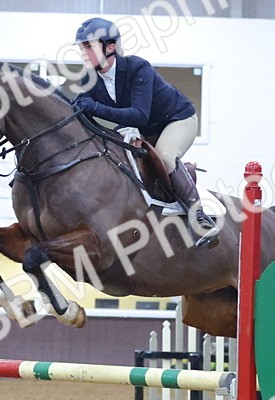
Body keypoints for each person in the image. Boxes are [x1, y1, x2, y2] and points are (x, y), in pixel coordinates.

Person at [71, 17, 218, 248]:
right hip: (141, 128)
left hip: (177, 119)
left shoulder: (138, 68)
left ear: (110, 48)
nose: (83, 52)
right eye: (82, 47)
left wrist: (95, 108)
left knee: (165, 156)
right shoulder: (88, 78)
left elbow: (139, 114)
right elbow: (84, 112)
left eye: (89, 46)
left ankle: (199, 218)